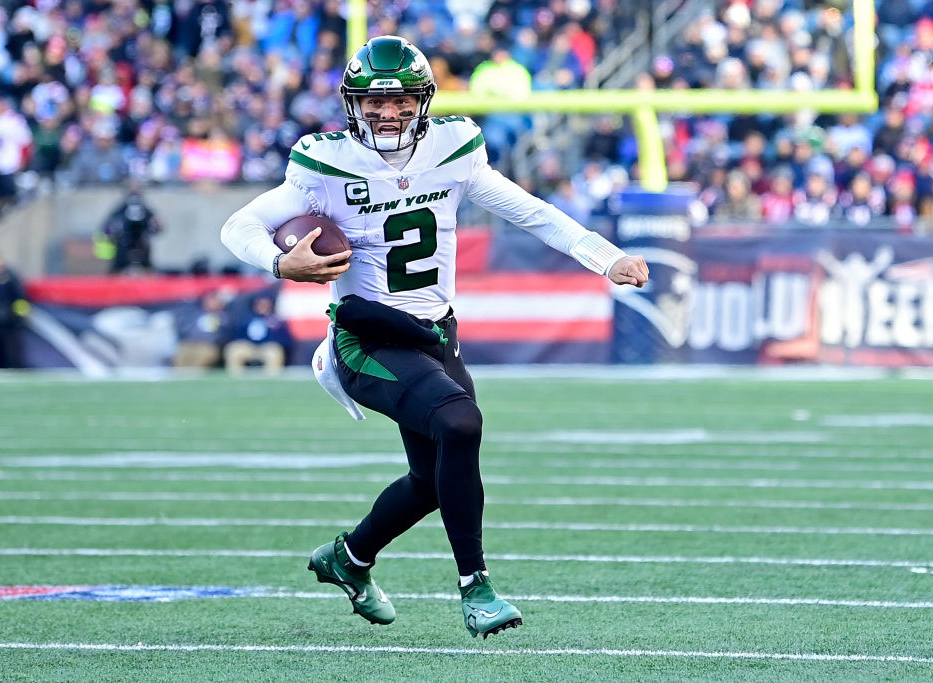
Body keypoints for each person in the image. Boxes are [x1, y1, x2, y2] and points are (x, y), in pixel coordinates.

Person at [220, 36, 648, 638]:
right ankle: (476, 587)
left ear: (424, 100)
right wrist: (277, 261)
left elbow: (531, 211)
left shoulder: (455, 147)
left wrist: (603, 257)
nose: (387, 113)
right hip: (365, 336)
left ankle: (349, 557)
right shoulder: (323, 163)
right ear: (352, 104)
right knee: (459, 422)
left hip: (433, 331)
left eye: (400, 101)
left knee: (430, 480)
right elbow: (239, 223)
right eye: (373, 102)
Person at [97, 186, 163, 274]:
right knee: (115, 271)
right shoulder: (120, 211)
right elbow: (107, 228)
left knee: (148, 271)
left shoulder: (146, 211)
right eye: (132, 193)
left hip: (142, 246)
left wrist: (154, 227)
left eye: (136, 193)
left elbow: (158, 227)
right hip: (123, 245)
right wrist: (114, 232)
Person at [223, 293, 293, 375]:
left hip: (267, 348)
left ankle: (271, 379)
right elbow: (236, 336)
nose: (263, 306)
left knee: (275, 352)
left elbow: (286, 340)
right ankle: (236, 377)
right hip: (248, 347)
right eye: (260, 304)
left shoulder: (277, 321)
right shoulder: (246, 319)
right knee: (233, 350)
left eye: (266, 304)